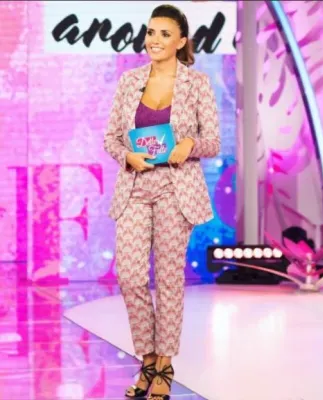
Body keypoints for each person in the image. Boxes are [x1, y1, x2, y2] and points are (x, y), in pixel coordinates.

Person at [103, 4, 220, 400]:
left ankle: (164, 366)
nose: (154, 39)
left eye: (164, 34)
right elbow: (110, 138)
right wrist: (127, 156)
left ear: (181, 41)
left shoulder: (197, 83)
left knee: (169, 280)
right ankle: (148, 358)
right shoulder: (129, 81)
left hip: (176, 189)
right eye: (151, 32)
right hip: (135, 187)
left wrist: (188, 145)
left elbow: (212, 141)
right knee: (130, 276)